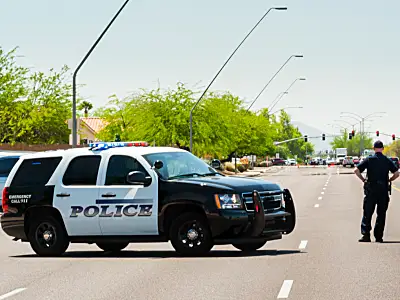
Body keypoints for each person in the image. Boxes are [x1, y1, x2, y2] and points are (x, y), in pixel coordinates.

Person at [354, 140, 399, 242]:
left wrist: (363, 179)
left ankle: (366, 235)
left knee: (367, 213)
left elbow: (356, 170)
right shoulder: (387, 160)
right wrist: (389, 180)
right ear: (382, 149)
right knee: (381, 214)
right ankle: (379, 236)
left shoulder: (369, 160)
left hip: (371, 190)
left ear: (374, 149)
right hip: (383, 190)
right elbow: (396, 173)